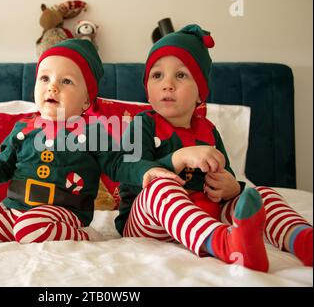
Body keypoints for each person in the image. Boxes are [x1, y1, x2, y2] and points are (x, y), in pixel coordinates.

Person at [115, 24, 313, 272]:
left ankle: (302, 240)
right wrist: (178, 158)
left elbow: (225, 175)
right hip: (147, 223)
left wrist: (230, 187)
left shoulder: (208, 130)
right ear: (147, 88)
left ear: (200, 93)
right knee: (160, 187)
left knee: (262, 194)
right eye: (157, 76)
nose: (167, 84)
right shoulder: (141, 124)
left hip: (206, 213)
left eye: (181, 75)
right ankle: (227, 245)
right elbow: (130, 169)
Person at [0, 39, 177, 244]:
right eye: (45, 78)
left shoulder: (92, 132)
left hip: (66, 211)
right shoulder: (22, 129)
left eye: (66, 81)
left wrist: (146, 171)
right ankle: (22, 229)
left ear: (86, 101)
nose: (53, 87)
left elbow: (119, 163)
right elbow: (3, 166)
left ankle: (83, 236)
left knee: (30, 227)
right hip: (15, 207)